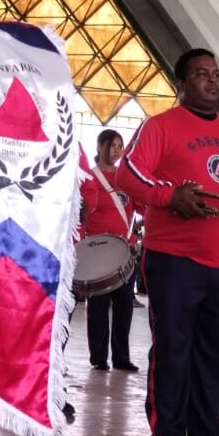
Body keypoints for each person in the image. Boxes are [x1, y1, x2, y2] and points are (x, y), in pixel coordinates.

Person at [115, 47, 219, 436]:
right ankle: (168, 434)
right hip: (174, 259)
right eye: (201, 74)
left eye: (216, 73)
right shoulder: (159, 126)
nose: (212, 80)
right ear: (180, 85)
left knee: (214, 353)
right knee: (173, 348)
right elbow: (129, 173)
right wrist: (169, 196)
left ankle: (206, 435)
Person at [80, 129, 138, 372]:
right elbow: (84, 212)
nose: (117, 149)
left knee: (124, 306)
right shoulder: (90, 177)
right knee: (99, 307)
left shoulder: (127, 178)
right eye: (113, 145)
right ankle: (99, 357)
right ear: (100, 146)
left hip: (126, 248)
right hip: (99, 251)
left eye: (120, 145)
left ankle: (121, 357)